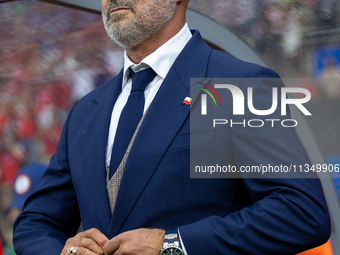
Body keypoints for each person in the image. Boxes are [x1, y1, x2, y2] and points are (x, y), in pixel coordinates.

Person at [13, 0, 330, 254]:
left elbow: (300, 212)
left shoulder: (235, 84)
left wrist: (172, 245)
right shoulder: (86, 110)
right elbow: (35, 223)